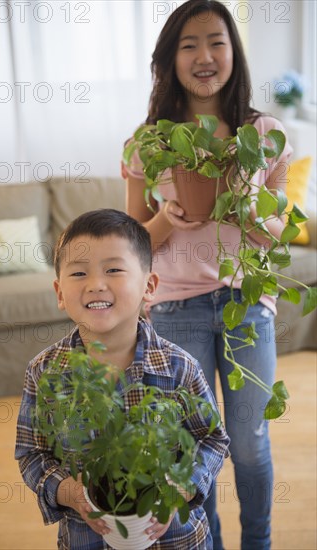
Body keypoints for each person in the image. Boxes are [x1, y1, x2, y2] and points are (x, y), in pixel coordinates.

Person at [122, 1, 293, 550]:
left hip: (247, 302)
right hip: (174, 307)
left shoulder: (264, 134)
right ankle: (207, 544)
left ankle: (258, 544)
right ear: (170, 60)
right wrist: (164, 222)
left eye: (215, 42)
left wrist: (248, 208)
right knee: (194, 447)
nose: (203, 56)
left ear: (233, 53)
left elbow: (278, 233)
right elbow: (132, 246)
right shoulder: (148, 143)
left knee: (249, 444)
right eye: (188, 45)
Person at [15, 208, 230, 550]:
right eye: (79, 273)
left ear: (149, 286)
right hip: (86, 539)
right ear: (59, 292)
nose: (96, 284)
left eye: (114, 269)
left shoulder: (180, 367)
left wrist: (180, 487)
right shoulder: (44, 372)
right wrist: (70, 492)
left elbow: (212, 440)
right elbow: (32, 453)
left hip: (175, 538)